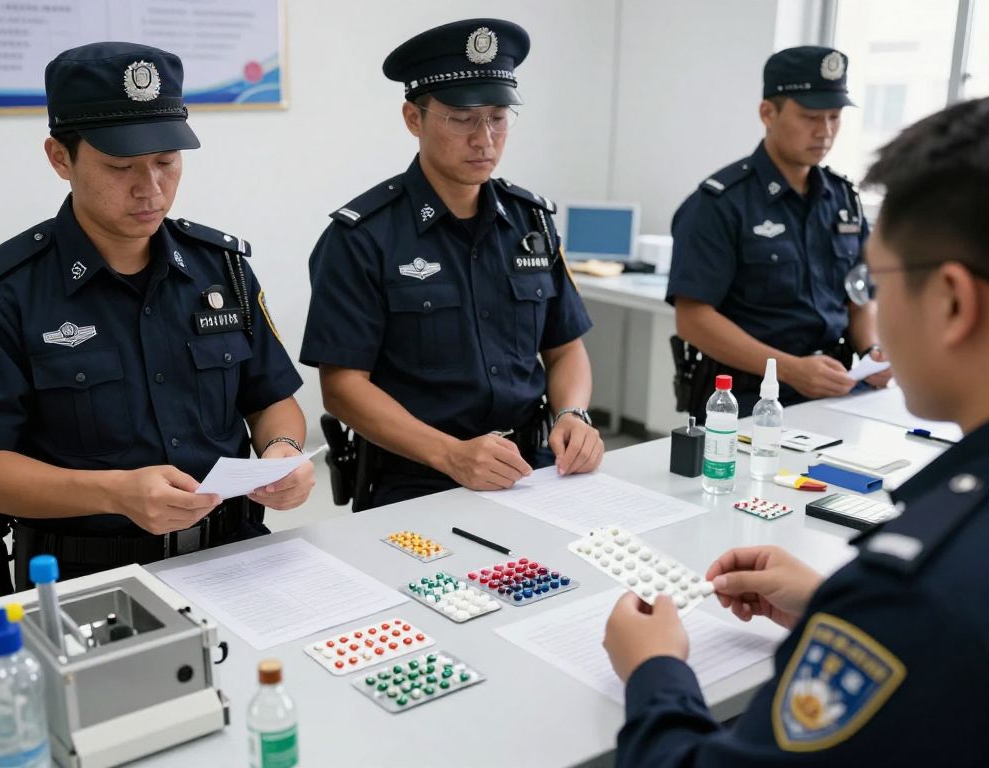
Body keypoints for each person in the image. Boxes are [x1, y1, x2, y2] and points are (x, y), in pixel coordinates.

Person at [603, 96, 989, 766]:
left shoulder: (916, 589)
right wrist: (829, 600)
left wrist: (655, 670)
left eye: (879, 279)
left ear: (952, 301)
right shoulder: (722, 201)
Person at [0, 42, 315, 589]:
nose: (150, 190)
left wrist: (283, 453)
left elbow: (271, 398)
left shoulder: (221, 271)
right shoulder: (3, 295)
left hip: (235, 555)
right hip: (87, 573)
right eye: (121, 166)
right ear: (61, 158)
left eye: (166, 162)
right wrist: (114, 493)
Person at [300, 19, 603, 510]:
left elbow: (566, 348)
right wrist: (452, 454)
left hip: (535, 468)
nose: (484, 139)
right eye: (462, 118)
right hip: (419, 477)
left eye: (498, 117)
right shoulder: (362, 237)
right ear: (413, 118)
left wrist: (573, 413)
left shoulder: (533, 223)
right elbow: (342, 388)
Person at [668, 46, 892, 420]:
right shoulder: (721, 202)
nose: (825, 131)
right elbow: (692, 319)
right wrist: (788, 369)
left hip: (837, 388)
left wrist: (871, 351)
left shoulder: (843, 198)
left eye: (835, 117)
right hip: (747, 398)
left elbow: (858, 293)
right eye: (809, 117)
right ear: (767, 113)